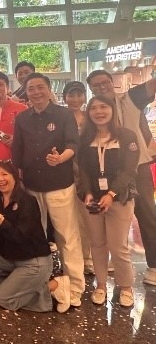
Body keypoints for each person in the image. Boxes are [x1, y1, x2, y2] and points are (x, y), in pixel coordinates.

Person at [13, 73, 85, 307]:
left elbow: (73, 143)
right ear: (26, 92)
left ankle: (76, 285)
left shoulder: (63, 115)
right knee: (38, 236)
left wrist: (62, 157)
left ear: (49, 88)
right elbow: (17, 152)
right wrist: (19, 181)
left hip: (59, 185)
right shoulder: (22, 118)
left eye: (40, 87)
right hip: (32, 187)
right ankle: (45, 280)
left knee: (67, 236)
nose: (36, 92)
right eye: (31, 88)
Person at [86, 69, 156, 286]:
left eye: (104, 82)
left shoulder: (130, 98)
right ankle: (116, 259)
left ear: (112, 82)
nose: (101, 87)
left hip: (137, 168)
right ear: (91, 89)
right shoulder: (94, 111)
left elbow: (152, 85)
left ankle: (154, 265)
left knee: (146, 214)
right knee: (112, 216)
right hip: (105, 172)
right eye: (96, 85)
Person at [0, 161, 71, 313]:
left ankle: (52, 287)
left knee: (1, 299)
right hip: (12, 256)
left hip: (34, 262)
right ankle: (14, 290)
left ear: (15, 176)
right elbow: (0, 234)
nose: (0, 179)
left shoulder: (27, 201)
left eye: (4, 174)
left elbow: (20, 237)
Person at [77, 96, 139, 307]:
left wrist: (111, 194)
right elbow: (83, 170)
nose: (99, 112)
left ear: (112, 110)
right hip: (93, 200)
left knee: (118, 246)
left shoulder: (126, 136)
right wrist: (87, 192)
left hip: (120, 199)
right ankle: (101, 285)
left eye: (103, 107)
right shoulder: (85, 138)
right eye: (93, 108)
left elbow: (129, 170)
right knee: (97, 244)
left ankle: (126, 286)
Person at [63, 80, 93, 275]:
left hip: (87, 174)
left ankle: (87, 257)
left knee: (85, 218)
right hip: (65, 172)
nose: (75, 99)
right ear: (65, 97)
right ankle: (70, 259)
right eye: (71, 95)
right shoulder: (61, 117)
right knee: (67, 220)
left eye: (79, 95)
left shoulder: (90, 119)